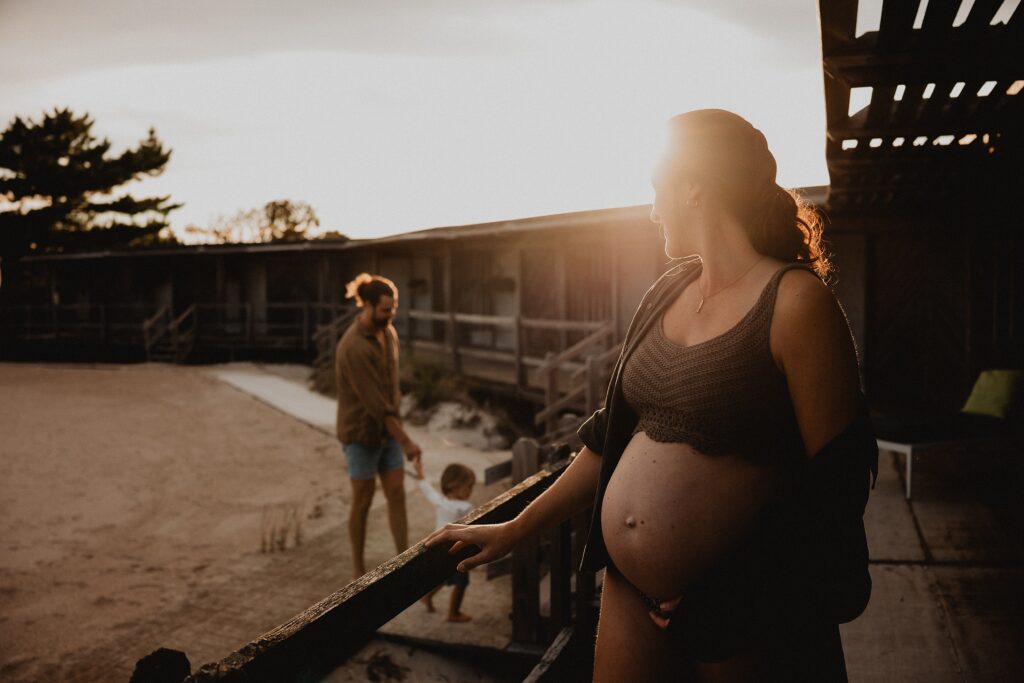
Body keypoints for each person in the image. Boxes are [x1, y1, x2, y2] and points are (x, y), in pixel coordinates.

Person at [426, 109, 877, 681]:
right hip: (627, 589)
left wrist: (735, 592)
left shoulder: (796, 304)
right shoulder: (668, 291)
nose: (651, 208)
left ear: (694, 186)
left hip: (740, 607)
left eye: (656, 188)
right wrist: (515, 528)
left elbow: (837, 488)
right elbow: (606, 436)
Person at [335, 272, 423, 580]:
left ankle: (404, 563)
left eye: (394, 308)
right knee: (363, 499)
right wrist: (408, 442)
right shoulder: (353, 347)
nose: (391, 314)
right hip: (361, 433)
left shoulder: (389, 333)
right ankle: (357, 570)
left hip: (389, 431)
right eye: (386, 309)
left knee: (397, 493)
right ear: (368, 306)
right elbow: (376, 406)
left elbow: (392, 390)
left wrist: (397, 433)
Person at [415, 462, 476, 622]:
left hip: (438, 547)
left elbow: (427, 490)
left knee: (442, 577)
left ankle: (427, 597)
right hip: (457, 550)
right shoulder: (466, 507)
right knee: (461, 583)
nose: (471, 491)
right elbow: (473, 531)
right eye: (468, 487)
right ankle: (453, 613)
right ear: (455, 486)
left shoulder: (440, 501)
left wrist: (420, 473)